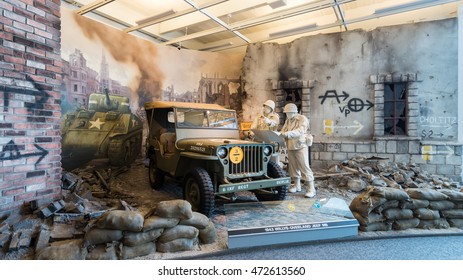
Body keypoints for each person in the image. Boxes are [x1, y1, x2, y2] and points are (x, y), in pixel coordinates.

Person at [280, 103, 315, 198]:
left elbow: (300, 131)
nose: (287, 115)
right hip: (291, 146)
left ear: (294, 112)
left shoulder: (302, 119)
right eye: (286, 113)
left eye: (289, 113)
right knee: (293, 167)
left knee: (304, 167)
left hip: (300, 146)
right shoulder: (288, 121)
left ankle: (311, 189)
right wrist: (280, 134)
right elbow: (283, 130)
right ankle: (296, 185)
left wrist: (287, 134)